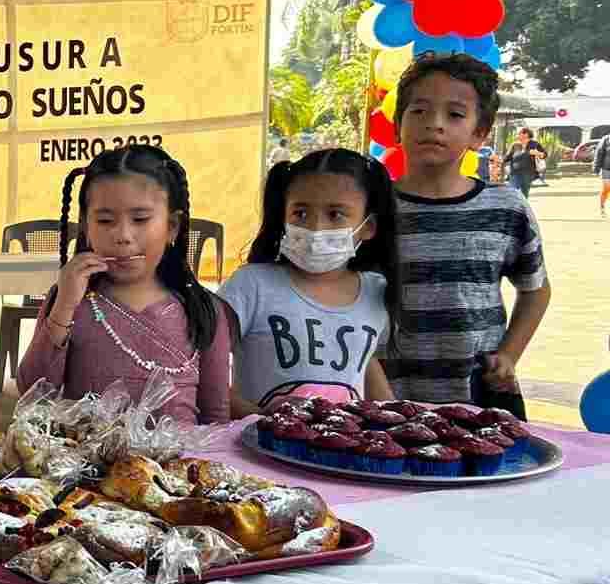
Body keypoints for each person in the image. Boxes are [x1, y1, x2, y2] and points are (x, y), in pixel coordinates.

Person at [380, 53, 550, 417]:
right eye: (419, 111)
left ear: (479, 134)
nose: (434, 125)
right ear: (398, 125)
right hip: (383, 397)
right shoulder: (371, 208)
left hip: (481, 397)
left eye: (455, 114)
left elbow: (535, 289)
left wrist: (508, 354)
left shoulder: (506, 208)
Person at [16, 144, 231, 425]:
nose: (123, 235)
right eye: (105, 220)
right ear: (85, 227)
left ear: (172, 226)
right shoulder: (70, 301)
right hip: (88, 467)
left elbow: (216, 420)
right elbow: (32, 394)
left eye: (140, 219)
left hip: (179, 467)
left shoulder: (204, 310)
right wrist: (64, 307)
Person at [220, 148, 401, 417]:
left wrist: (393, 415)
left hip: (342, 454)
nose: (316, 228)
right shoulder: (251, 286)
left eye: (336, 214)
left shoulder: (376, 291)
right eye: (301, 213)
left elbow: (364, 359)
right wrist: (259, 422)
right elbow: (204, 369)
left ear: (369, 226)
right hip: (259, 451)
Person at [502, 126, 547, 199]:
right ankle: (513, 207)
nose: (518, 135)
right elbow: (508, 157)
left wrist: (537, 153)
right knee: (513, 191)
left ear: (526, 134)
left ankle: (522, 208)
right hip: (514, 172)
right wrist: (500, 160)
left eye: (519, 133)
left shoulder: (534, 144)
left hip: (528, 173)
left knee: (524, 194)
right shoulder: (515, 145)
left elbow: (545, 154)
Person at [594, 131, 610, 217]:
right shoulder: (606, 139)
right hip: (606, 169)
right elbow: (599, 153)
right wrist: (596, 168)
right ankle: (602, 207)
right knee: (606, 189)